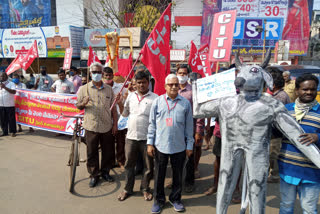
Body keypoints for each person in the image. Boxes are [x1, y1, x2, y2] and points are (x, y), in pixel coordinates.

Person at [147, 74, 194, 213]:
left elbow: (189, 127)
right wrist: (150, 143)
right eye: (170, 84)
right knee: (159, 175)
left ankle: (176, 199)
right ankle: (159, 200)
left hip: (179, 146)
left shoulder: (185, 103)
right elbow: (152, 124)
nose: (174, 87)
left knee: (178, 175)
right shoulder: (157, 102)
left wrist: (189, 145)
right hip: (161, 145)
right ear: (165, 86)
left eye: (176, 84)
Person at [278, 74, 320, 214]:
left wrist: (317, 136)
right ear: (297, 90)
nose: (309, 92)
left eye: (313, 89)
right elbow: (275, 133)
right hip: (288, 168)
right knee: (286, 206)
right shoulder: (285, 110)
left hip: (312, 172)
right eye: (305, 89)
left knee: (309, 209)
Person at [116, 71, 158, 201]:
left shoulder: (155, 98)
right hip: (131, 137)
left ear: (148, 82)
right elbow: (125, 114)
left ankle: (145, 189)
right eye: (138, 82)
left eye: (144, 82)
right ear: (135, 83)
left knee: (148, 166)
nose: (141, 85)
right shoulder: (131, 96)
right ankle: (127, 189)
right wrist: (119, 103)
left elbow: (158, 119)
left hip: (148, 138)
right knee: (129, 165)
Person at [76, 62, 118, 188]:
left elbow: (113, 109)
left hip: (106, 126)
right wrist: (83, 103)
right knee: (92, 152)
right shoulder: (84, 89)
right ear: (90, 73)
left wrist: (115, 124)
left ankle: (105, 172)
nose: (96, 74)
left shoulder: (109, 89)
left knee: (108, 152)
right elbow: (78, 106)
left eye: (99, 72)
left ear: (103, 74)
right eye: (94, 72)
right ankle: (94, 175)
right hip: (91, 126)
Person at [176, 66, 204, 192]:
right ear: (176, 74)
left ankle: (189, 182)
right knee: (176, 157)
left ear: (188, 75)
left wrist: (198, 131)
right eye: (180, 73)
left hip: (189, 130)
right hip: (175, 130)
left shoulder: (193, 91)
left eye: (184, 73)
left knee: (189, 156)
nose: (182, 75)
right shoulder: (172, 88)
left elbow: (199, 112)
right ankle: (176, 180)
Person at [268, 72, 291, 183]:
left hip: (276, 131)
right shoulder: (275, 94)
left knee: (274, 154)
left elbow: (275, 114)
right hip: (272, 130)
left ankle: (275, 175)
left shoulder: (280, 96)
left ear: (274, 85)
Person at [103, 67, 126, 168]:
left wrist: (121, 100)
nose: (108, 77)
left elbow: (126, 101)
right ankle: (111, 161)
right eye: (106, 75)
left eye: (109, 75)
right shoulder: (101, 88)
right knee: (109, 143)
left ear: (113, 75)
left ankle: (121, 160)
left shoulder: (121, 88)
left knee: (121, 141)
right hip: (107, 119)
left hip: (120, 118)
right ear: (103, 76)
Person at [0, 72, 17, 137]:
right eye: (1, 76)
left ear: (6, 77)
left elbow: (14, 91)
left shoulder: (11, 83)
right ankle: (4, 132)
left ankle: (12, 132)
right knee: (3, 119)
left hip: (9, 104)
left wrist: (5, 87)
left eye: (3, 76)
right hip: (1, 105)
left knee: (11, 119)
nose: (2, 78)